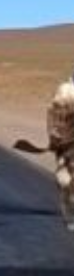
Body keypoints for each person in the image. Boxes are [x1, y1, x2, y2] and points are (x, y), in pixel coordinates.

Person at [47, 73, 74, 232]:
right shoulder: (64, 91)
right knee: (65, 182)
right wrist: (52, 133)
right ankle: (69, 216)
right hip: (64, 145)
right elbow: (52, 114)